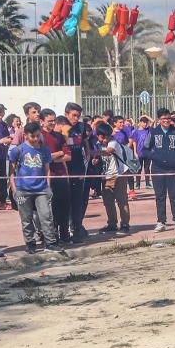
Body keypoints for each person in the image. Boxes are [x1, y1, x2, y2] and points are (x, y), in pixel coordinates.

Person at [7, 122, 62, 254]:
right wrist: (15, 190)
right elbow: (11, 173)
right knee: (26, 218)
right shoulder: (17, 150)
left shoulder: (44, 150)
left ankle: (50, 242)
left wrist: (48, 187)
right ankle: (30, 243)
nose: (35, 139)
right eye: (32, 136)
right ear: (25, 135)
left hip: (41, 189)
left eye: (38, 136)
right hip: (22, 190)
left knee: (46, 216)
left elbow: (47, 170)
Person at [144, 108, 175, 232]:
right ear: (159, 120)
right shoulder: (153, 132)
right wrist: (157, 158)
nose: (167, 121)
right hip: (157, 169)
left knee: (174, 195)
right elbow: (145, 150)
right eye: (164, 119)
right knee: (160, 196)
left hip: (173, 169)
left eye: (168, 119)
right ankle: (161, 222)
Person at [39, 109, 72, 244]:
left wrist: (53, 157)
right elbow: (40, 158)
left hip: (61, 176)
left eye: (54, 120)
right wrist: (58, 154)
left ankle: (64, 234)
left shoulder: (59, 136)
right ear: (42, 122)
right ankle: (51, 237)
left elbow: (68, 156)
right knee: (50, 209)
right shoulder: (38, 136)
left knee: (64, 206)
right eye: (49, 121)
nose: (52, 123)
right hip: (46, 178)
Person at [93, 122, 130, 235]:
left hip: (118, 175)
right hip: (105, 176)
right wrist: (95, 159)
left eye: (107, 137)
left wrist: (91, 153)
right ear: (98, 135)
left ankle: (124, 224)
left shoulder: (113, 142)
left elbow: (108, 152)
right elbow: (100, 157)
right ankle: (112, 224)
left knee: (121, 200)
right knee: (108, 202)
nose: (105, 140)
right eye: (102, 137)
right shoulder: (97, 144)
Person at [62, 103, 91, 243]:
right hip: (63, 167)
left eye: (78, 116)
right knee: (63, 200)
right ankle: (63, 231)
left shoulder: (81, 126)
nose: (76, 118)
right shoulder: (61, 125)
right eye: (73, 115)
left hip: (78, 167)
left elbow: (85, 142)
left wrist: (88, 152)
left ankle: (77, 228)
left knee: (78, 200)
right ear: (66, 114)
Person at [0, 104, 13, 211]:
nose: (1, 114)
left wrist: (9, 139)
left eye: (2, 111)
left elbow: (7, 137)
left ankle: (3, 201)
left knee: (3, 179)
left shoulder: (3, 124)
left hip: (2, 155)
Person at [132, 116, 153, 189]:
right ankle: (137, 184)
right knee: (139, 169)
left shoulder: (148, 130)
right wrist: (135, 152)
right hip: (139, 153)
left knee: (147, 168)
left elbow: (153, 121)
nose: (145, 124)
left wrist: (145, 115)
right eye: (143, 122)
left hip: (147, 153)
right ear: (140, 122)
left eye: (146, 122)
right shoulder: (136, 132)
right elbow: (134, 142)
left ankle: (148, 184)